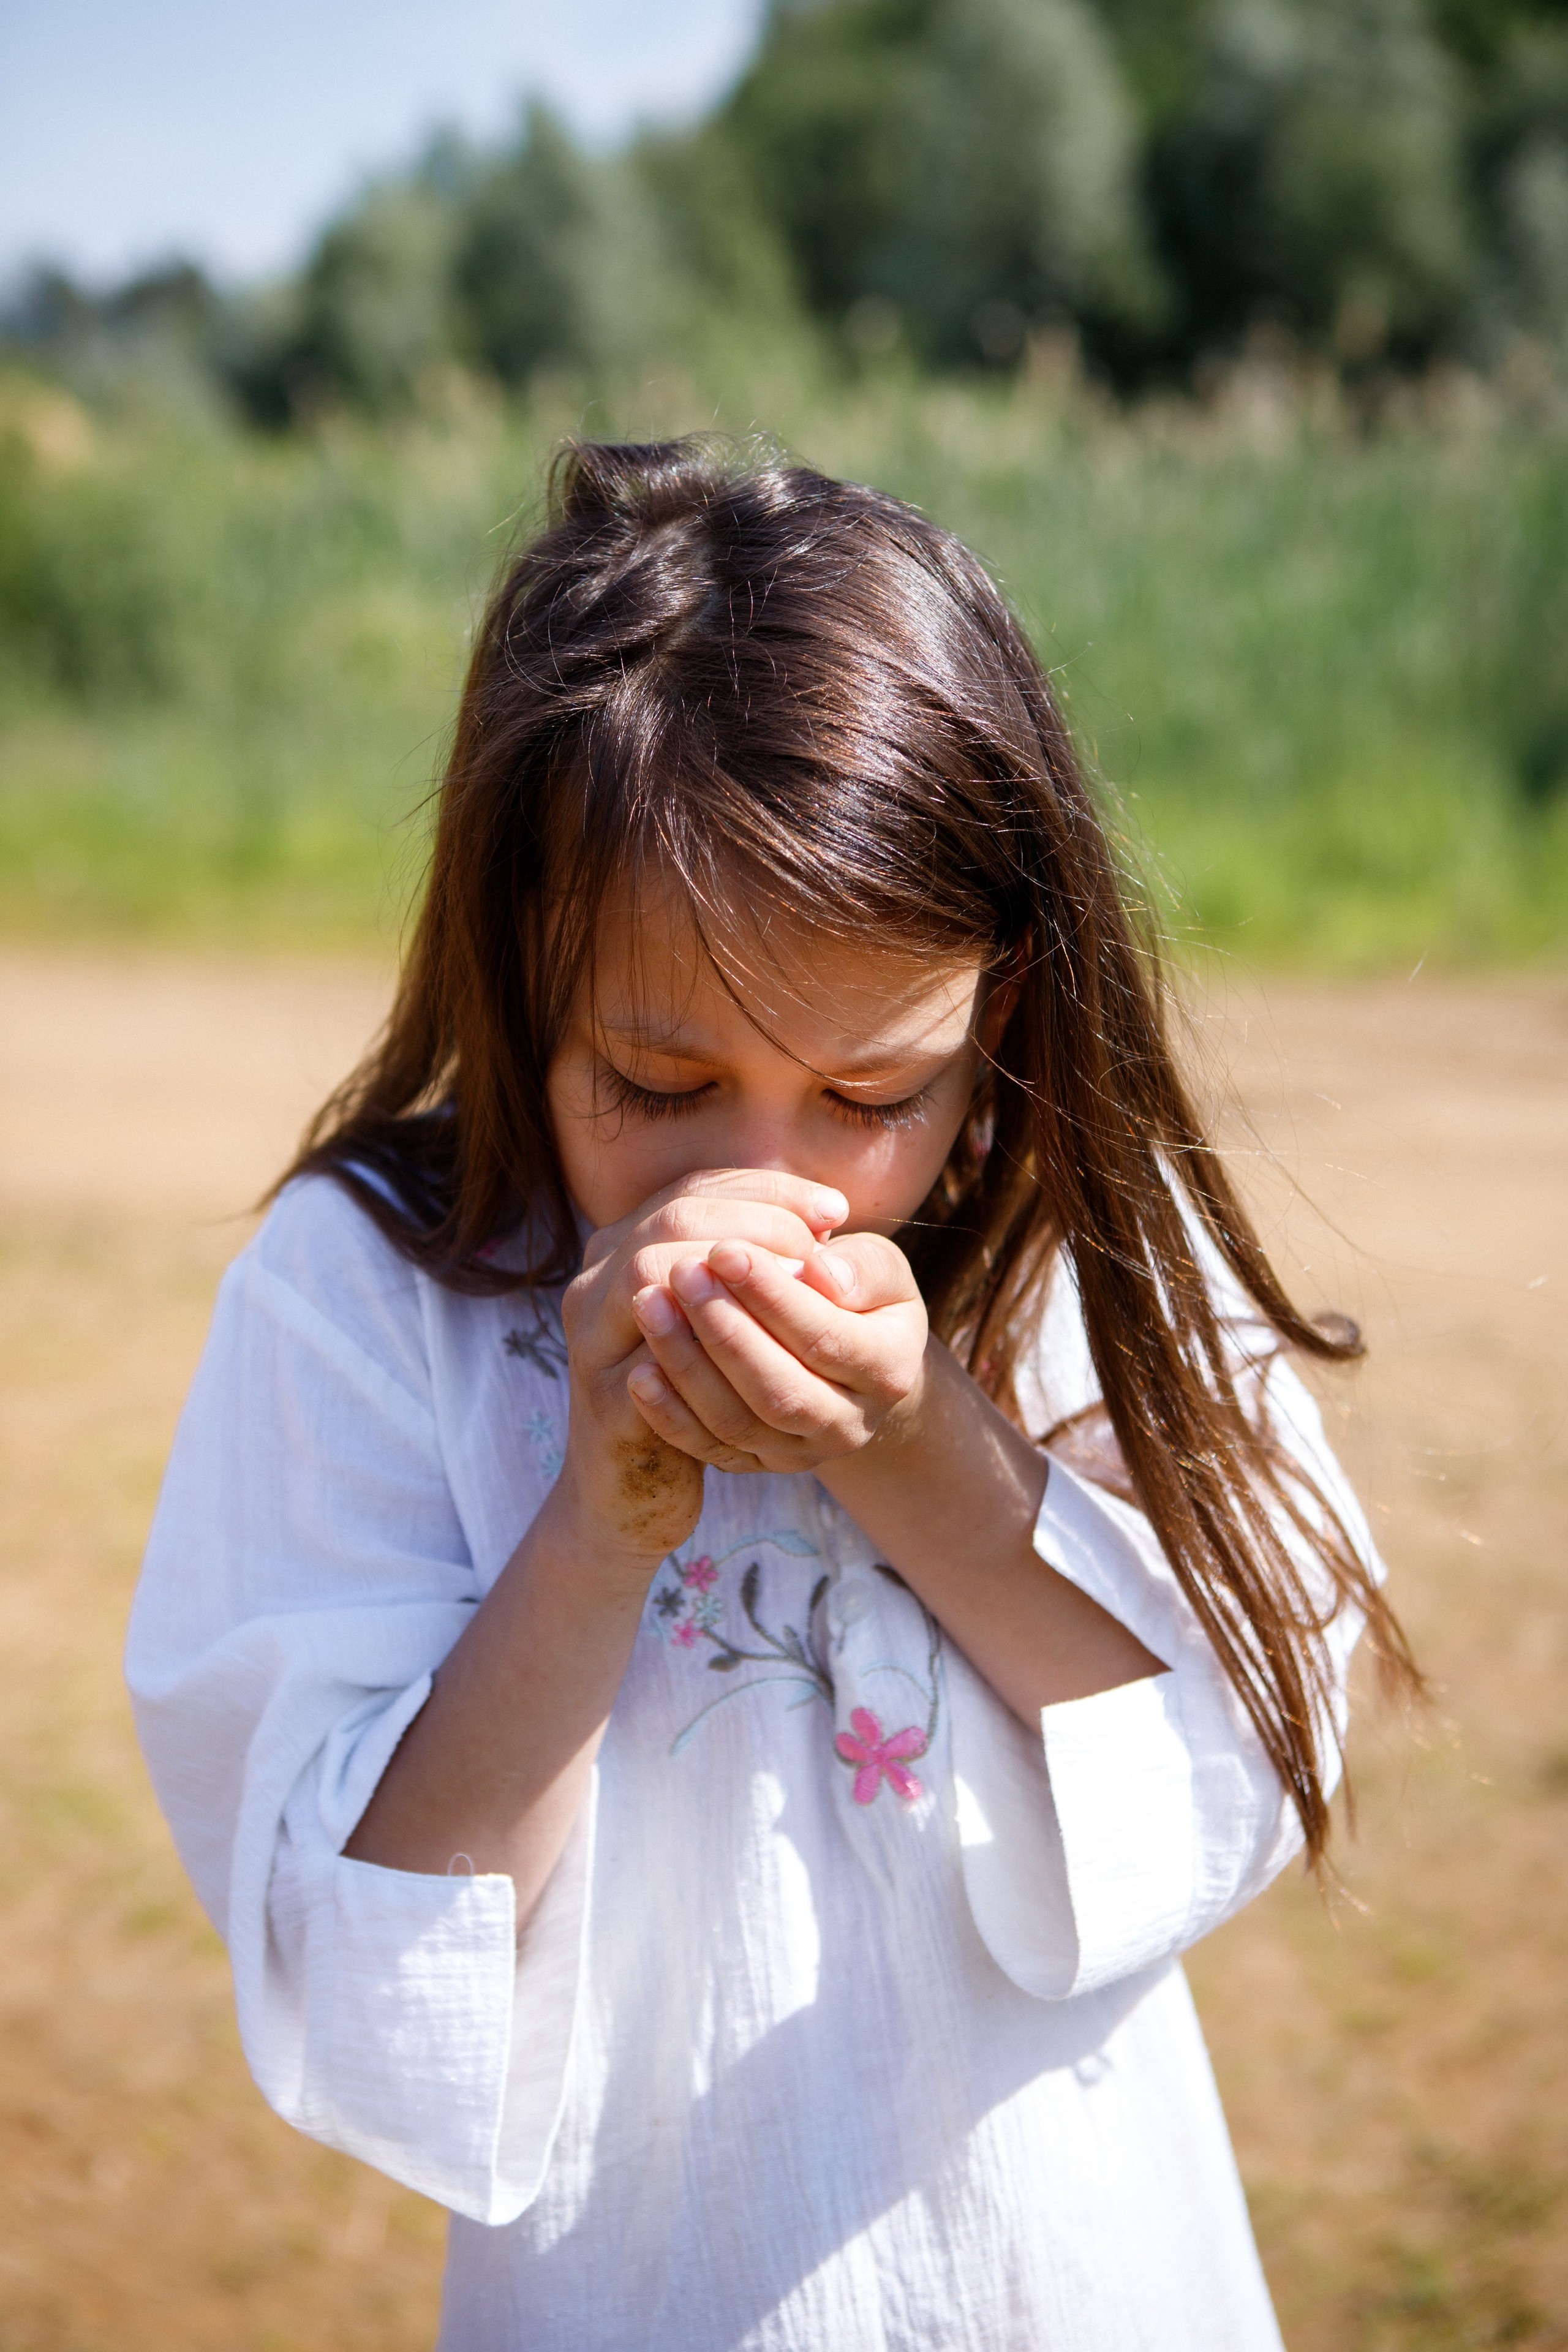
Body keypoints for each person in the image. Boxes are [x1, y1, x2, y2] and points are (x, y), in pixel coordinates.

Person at [127, 438, 1416, 2351]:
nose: (765, 1184)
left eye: (871, 1097)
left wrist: (915, 1442)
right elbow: (366, 1946)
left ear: (1000, 1012)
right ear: (519, 988)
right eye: (660, 1087)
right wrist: (592, 1527)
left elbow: (1241, 1729)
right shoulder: (375, 1289)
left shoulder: (1064, 1236)